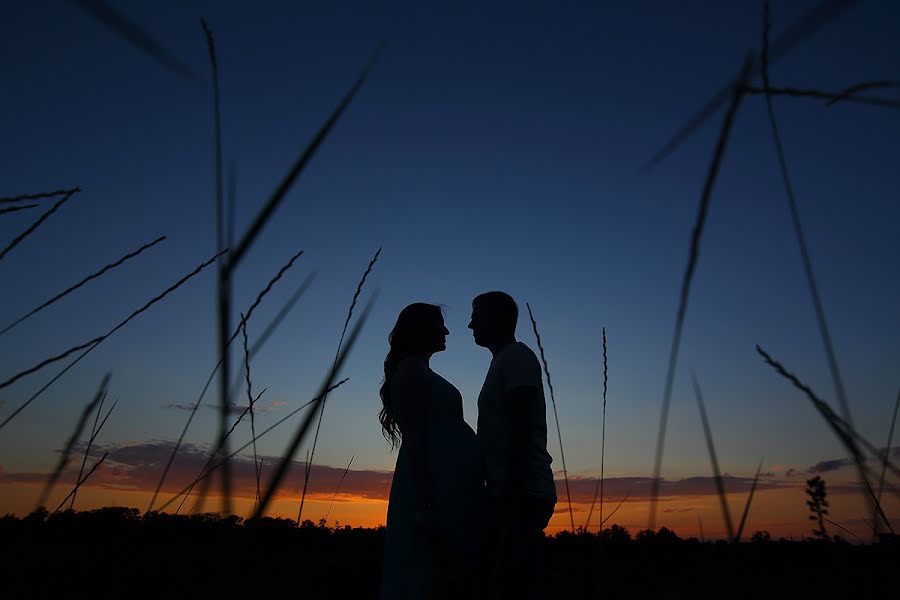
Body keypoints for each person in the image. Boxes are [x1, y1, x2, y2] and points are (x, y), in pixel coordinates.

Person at [379, 303, 484, 599]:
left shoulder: (420, 371)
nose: (447, 331)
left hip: (448, 488)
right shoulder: (411, 372)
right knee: (426, 571)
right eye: (440, 325)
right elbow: (413, 440)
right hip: (433, 490)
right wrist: (424, 505)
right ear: (422, 330)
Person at [469, 291, 557, 599]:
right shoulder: (503, 361)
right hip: (511, 493)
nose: (470, 325)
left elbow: (521, 428)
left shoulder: (517, 357)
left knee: (513, 583)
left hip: (522, 494)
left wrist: (509, 496)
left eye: (477, 316)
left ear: (498, 319)